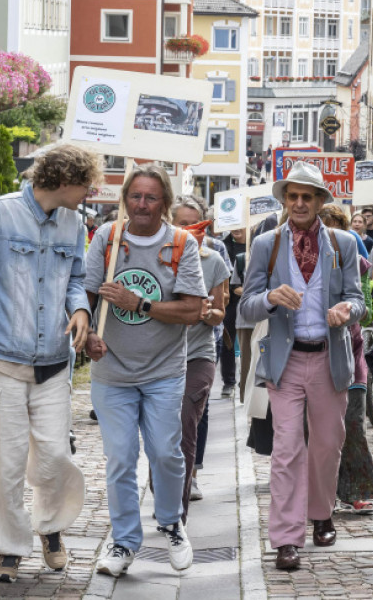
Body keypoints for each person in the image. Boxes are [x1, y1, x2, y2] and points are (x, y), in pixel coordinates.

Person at [0, 145, 99, 582]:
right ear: (64, 179)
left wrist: (81, 309)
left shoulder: (74, 222)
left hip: (53, 364)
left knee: (53, 456)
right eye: (86, 184)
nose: (91, 191)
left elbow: (77, 280)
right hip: (1, 361)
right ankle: (8, 549)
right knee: (3, 462)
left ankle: (50, 527)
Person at [239, 162, 366, 572]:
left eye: (306, 196)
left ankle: (321, 511)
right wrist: (271, 297)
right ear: (284, 199)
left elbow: (358, 299)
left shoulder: (343, 243)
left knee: (327, 444)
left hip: (329, 359)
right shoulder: (267, 245)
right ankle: (286, 538)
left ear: (319, 201)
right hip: (286, 361)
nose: (298, 203)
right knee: (287, 448)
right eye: (292, 196)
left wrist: (347, 310)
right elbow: (246, 305)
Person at [84, 164, 207, 578]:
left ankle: (172, 523)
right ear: (125, 199)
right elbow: (82, 296)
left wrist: (140, 304)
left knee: (165, 454)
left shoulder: (180, 244)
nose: (141, 204)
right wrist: (85, 336)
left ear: (165, 203)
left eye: (151, 197)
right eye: (135, 196)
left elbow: (193, 310)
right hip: (112, 372)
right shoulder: (106, 239)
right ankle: (124, 542)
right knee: (120, 458)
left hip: (163, 372)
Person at [319, 203, 373, 515]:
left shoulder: (357, 263)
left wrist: (352, 311)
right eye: (324, 228)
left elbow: (368, 307)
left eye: (336, 229)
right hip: (315, 358)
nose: (330, 236)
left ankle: (355, 491)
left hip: (351, 354)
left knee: (353, 425)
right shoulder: (303, 263)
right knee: (320, 431)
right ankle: (321, 492)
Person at [172, 204, 231, 513]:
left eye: (199, 225)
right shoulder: (159, 257)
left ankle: (177, 505)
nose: (194, 231)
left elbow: (220, 312)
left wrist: (209, 314)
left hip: (199, 353)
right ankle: (165, 483)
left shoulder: (215, 260)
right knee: (161, 430)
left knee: (186, 419)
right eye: (184, 225)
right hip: (159, 358)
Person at [220, 227, 248, 399]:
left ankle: (245, 381)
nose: (237, 229)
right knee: (228, 342)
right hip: (229, 301)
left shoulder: (256, 243)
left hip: (250, 302)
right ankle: (229, 382)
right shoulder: (224, 246)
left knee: (250, 343)